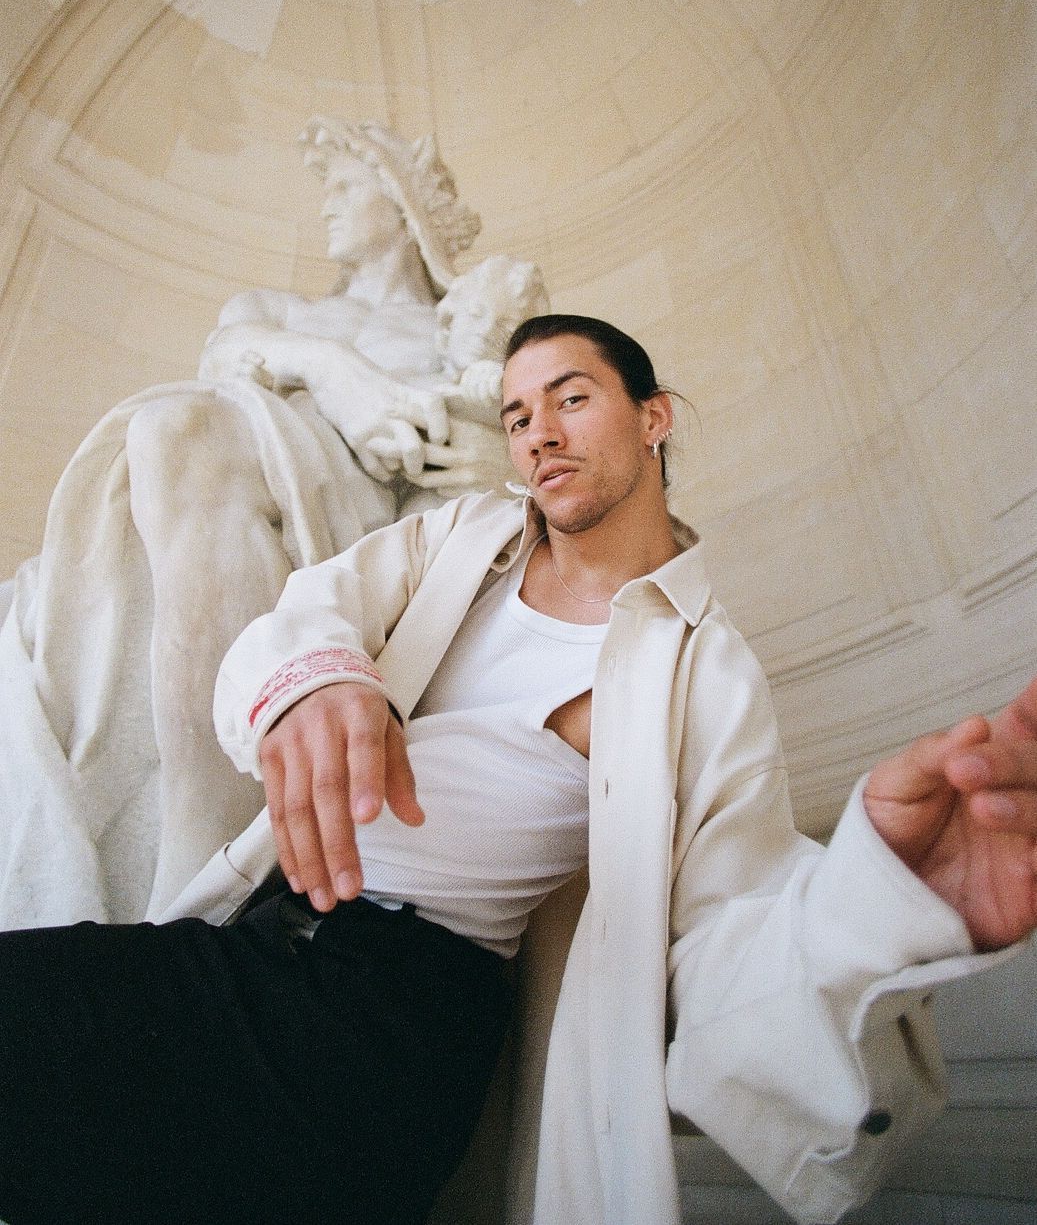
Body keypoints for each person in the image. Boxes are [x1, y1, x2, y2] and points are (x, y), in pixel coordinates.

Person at [0, 315, 1034, 1225]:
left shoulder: (703, 665)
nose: (536, 428)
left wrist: (890, 897)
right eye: (515, 411)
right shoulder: (463, 535)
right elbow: (308, 612)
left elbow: (726, 935)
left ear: (653, 417)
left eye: (570, 397)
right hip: (256, 939)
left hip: (387, 1019)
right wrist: (315, 682)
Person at [0, 120, 537, 924]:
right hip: (231, 487)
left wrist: (488, 460)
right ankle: (204, 837)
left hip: (364, 538)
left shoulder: (463, 323)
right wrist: (334, 370)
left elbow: (526, 448)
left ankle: (204, 865)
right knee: (172, 433)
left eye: (346, 189)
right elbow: (226, 366)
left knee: (176, 435)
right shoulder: (272, 310)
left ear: (399, 204)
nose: (327, 210)